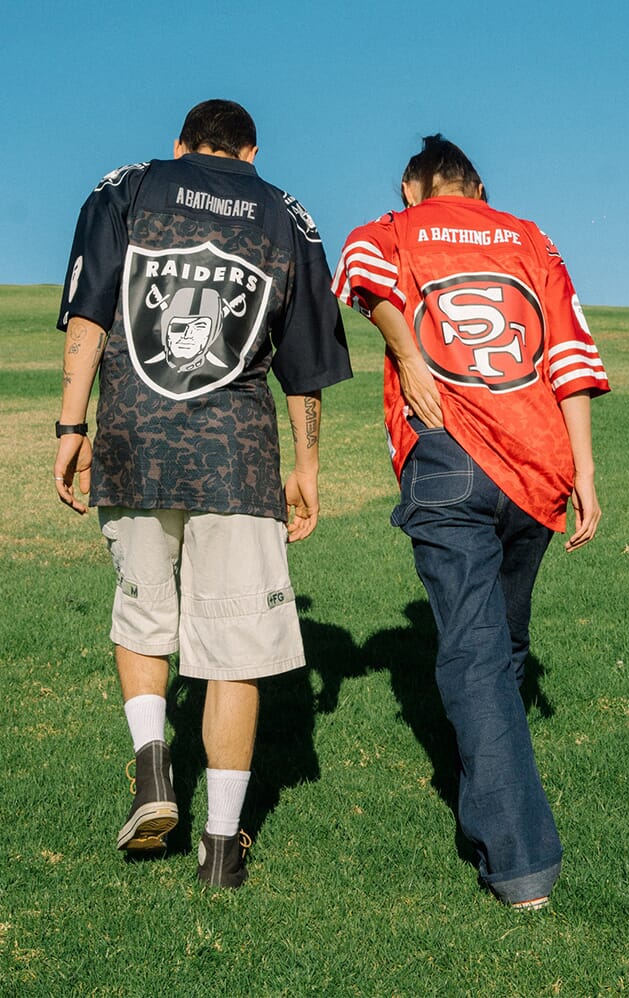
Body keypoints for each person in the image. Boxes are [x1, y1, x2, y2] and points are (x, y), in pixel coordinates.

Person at [54, 99, 352, 888]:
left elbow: (88, 318)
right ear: (251, 151)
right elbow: (306, 362)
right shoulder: (290, 216)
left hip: (133, 438)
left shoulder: (128, 185)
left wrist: (68, 427)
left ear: (182, 142)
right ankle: (221, 852)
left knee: (145, 613)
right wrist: (308, 466)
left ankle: (154, 765)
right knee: (234, 655)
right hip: (238, 457)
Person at [332, 135, 609, 908]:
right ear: (479, 188)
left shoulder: (393, 226)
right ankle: (497, 810)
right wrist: (584, 471)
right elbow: (570, 357)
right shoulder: (531, 238)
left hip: (448, 458)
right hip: (542, 464)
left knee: (480, 654)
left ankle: (519, 865)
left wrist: (409, 355)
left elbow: (357, 270)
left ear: (410, 184)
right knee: (501, 646)